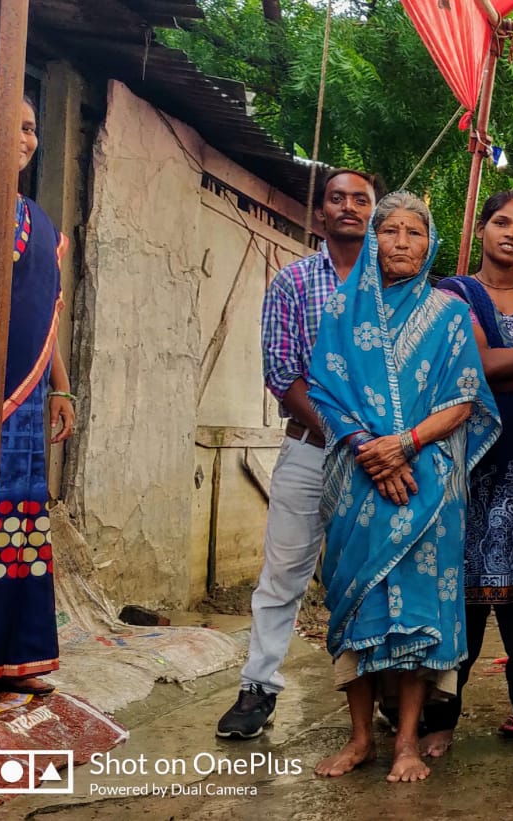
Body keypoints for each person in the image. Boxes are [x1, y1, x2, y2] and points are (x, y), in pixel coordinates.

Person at [308, 190, 499, 783]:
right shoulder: (343, 310)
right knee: (356, 604)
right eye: (390, 231)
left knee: (417, 615)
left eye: (415, 234)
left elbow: (465, 397)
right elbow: (323, 390)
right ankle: (361, 737)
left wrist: (405, 446)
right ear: (373, 239)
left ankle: (408, 742)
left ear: (430, 243)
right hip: (359, 476)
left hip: (427, 481)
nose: (402, 244)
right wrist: (374, 453)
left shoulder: (447, 314)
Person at [216, 167, 378, 739]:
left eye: (361, 199)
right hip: (311, 451)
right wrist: (349, 434)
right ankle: (258, 688)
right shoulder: (293, 282)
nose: (349, 207)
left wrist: (380, 443)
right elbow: (283, 374)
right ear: (321, 213)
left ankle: (379, 687)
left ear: (374, 212)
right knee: (283, 573)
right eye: (338, 198)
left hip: (383, 459)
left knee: (369, 574)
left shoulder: (398, 287)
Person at [421, 191, 513, 755]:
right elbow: (472, 367)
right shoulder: (453, 294)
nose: (511, 233)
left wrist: (497, 374)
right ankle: (441, 720)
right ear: (482, 229)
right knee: (462, 598)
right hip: (469, 462)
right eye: (500, 222)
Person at [0, 85, 74, 704]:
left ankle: (4, 659)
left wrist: (62, 388)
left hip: (24, 401)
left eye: (30, 128)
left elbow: (45, 312)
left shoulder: (36, 220)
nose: (20, 138)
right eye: (0, 122)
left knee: (16, 528)